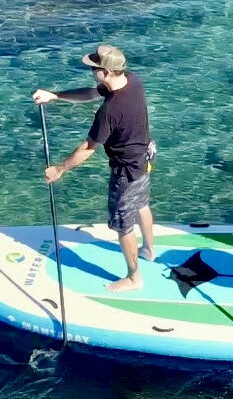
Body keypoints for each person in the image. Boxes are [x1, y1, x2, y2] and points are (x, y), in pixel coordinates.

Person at [33, 44, 154, 292]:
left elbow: (88, 148)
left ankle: (134, 278)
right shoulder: (133, 80)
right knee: (141, 204)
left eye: (93, 68)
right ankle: (149, 250)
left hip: (125, 172)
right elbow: (91, 93)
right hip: (144, 159)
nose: (91, 71)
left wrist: (59, 169)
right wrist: (55, 95)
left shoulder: (110, 111)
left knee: (123, 225)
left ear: (106, 72)